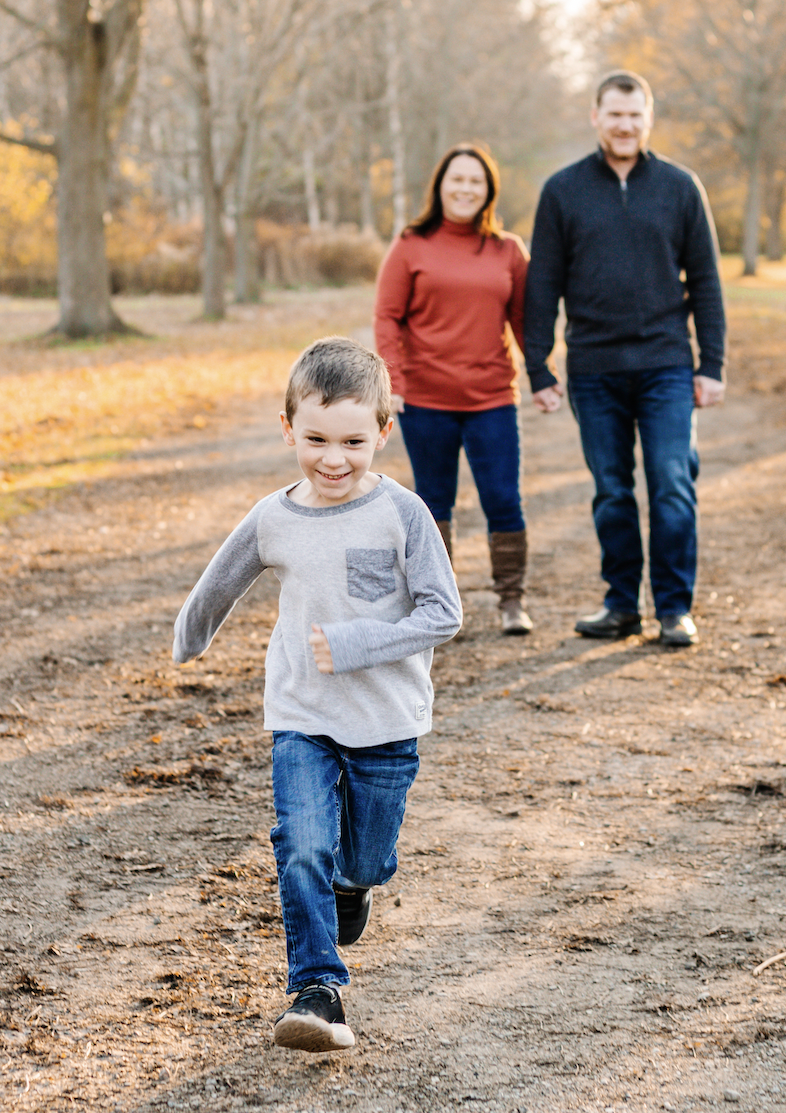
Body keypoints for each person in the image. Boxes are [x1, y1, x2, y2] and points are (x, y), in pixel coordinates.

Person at [172, 337, 461, 1054]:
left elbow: (444, 613)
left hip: (387, 722)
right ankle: (317, 990)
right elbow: (221, 582)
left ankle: (355, 886)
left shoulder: (403, 515)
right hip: (302, 715)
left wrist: (360, 641)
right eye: (316, 439)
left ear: (384, 432)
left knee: (360, 859)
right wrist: (188, 639)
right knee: (302, 845)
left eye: (355, 441)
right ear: (288, 429)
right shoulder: (274, 516)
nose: (334, 459)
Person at [522, 70, 727, 649]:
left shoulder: (680, 187)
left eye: (635, 115)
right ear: (596, 117)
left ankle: (673, 609)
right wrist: (538, 366)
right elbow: (543, 285)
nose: (625, 125)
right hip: (593, 368)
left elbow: (707, 282)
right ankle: (620, 605)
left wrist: (711, 365)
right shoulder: (562, 191)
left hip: (665, 364)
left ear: (649, 119)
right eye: (614, 114)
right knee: (612, 489)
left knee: (670, 481)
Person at [373, 144, 536, 635]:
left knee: (504, 499)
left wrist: (544, 376)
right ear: (440, 187)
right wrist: (392, 382)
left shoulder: (508, 250)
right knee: (432, 504)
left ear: (488, 191)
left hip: (491, 399)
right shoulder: (410, 245)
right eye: (456, 180)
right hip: (425, 401)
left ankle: (512, 601)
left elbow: (526, 321)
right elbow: (388, 317)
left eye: (475, 182)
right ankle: (439, 606)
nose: (465, 189)